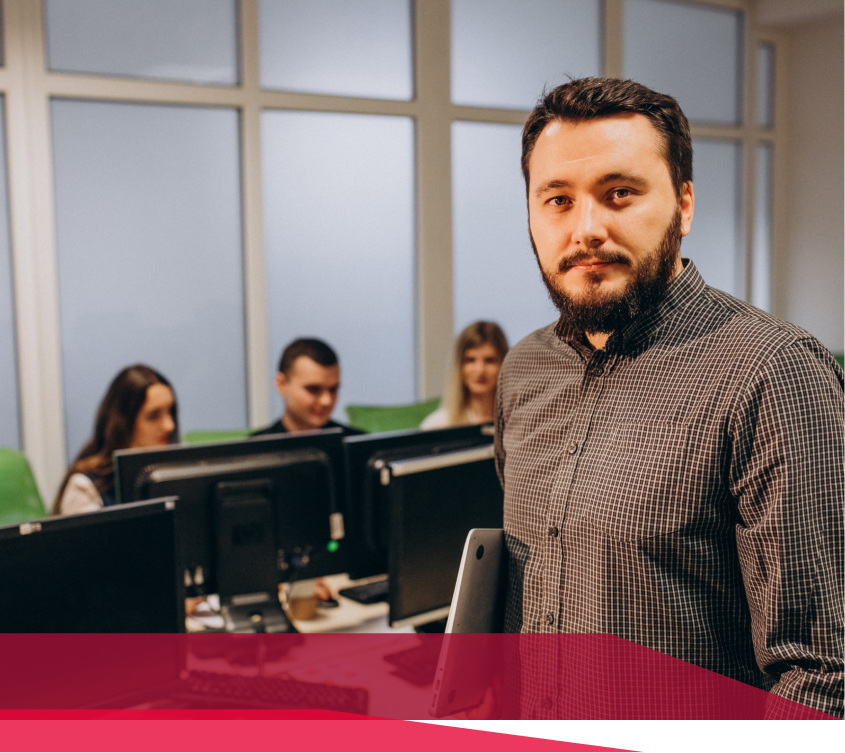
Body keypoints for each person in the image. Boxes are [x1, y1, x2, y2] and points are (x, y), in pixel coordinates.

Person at [494, 77, 845, 718]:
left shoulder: (772, 373)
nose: (587, 228)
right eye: (558, 200)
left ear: (683, 205)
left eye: (619, 193)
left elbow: (821, 673)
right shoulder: (525, 372)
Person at [55, 364, 178, 515]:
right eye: (153, 416)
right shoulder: (87, 489)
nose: (169, 426)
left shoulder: (177, 476)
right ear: (123, 424)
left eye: (170, 412)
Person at [252, 338, 362, 437]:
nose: (326, 401)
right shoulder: (254, 450)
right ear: (282, 384)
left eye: (333, 389)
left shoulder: (358, 446)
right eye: (313, 389)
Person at [421, 321, 509, 430]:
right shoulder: (437, 425)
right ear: (459, 366)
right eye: (470, 360)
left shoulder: (520, 423)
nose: (480, 370)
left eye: (490, 360)